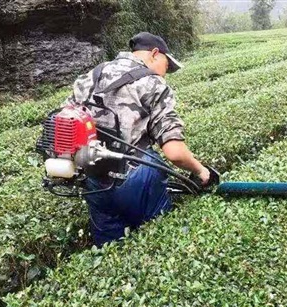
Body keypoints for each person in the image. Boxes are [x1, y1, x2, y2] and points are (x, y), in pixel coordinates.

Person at [62, 32, 210, 247]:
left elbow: (67, 121)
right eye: (167, 66)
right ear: (155, 54)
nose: (165, 73)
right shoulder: (153, 84)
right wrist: (200, 171)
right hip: (136, 176)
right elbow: (174, 153)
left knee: (109, 252)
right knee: (159, 244)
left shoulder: (92, 75)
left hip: (94, 179)